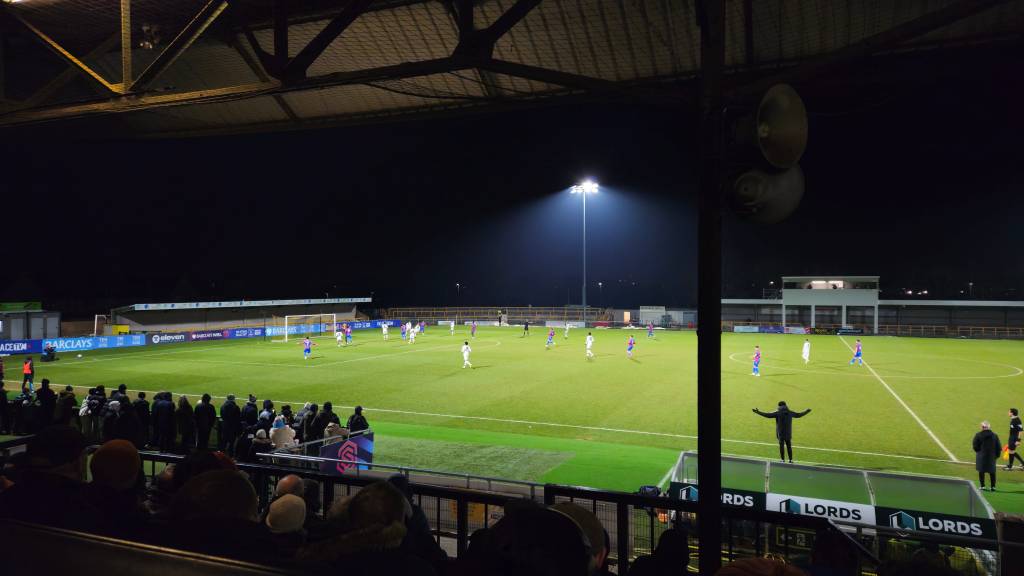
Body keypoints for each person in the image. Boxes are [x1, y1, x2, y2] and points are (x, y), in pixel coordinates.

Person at [974, 420, 1001, 491]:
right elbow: (999, 447)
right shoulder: (995, 435)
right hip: (992, 457)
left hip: (981, 456)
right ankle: (993, 487)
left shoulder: (978, 435)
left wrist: (979, 452)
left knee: (981, 471)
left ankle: (982, 486)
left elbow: (975, 446)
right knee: (992, 472)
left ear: (982, 427)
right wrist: (996, 456)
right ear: (988, 427)